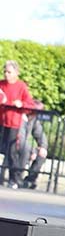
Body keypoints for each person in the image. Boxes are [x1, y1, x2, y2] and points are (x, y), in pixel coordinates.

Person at [0, 60, 34, 188]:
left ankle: (14, 179)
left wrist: (21, 104)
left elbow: (30, 104)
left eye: (9, 72)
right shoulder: (1, 85)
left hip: (13, 123)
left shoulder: (21, 86)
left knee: (11, 152)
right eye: (5, 71)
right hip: (1, 121)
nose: (6, 74)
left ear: (16, 73)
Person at [15, 106, 48, 189]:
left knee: (41, 153)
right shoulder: (20, 117)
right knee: (26, 150)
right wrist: (32, 151)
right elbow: (20, 138)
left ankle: (30, 180)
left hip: (25, 146)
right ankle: (17, 178)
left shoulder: (34, 120)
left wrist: (43, 147)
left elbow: (40, 135)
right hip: (12, 144)